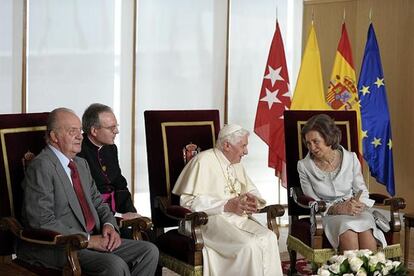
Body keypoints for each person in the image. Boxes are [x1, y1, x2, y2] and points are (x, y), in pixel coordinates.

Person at [18, 107, 158, 275]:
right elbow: (42, 221)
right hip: (60, 246)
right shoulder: (41, 166)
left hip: (92, 238)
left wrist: (109, 225)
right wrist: (90, 240)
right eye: (72, 131)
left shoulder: (80, 164)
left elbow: (98, 202)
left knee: (149, 251)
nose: (80, 136)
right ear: (54, 137)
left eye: (80, 130)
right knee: (115, 265)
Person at [172, 124, 283, 276]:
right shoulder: (202, 161)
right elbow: (188, 203)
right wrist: (225, 205)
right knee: (248, 244)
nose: (246, 151)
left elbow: (250, 189)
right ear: (227, 145)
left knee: (269, 237)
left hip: (237, 219)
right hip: (208, 221)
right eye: (243, 146)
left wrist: (252, 200)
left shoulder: (236, 164)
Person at [297, 113, 386, 252]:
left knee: (366, 230)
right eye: (308, 143)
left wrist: (357, 204)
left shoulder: (351, 158)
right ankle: (350, 273)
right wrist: (336, 209)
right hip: (327, 214)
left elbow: (361, 190)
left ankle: (371, 272)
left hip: (355, 210)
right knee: (348, 231)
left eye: (316, 142)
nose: (312, 148)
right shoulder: (303, 166)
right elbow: (313, 201)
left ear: (328, 138)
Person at [78, 103, 139, 222]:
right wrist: (118, 217)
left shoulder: (111, 148)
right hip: (95, 214)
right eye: (111, 128)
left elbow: (119, 182)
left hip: (116, 208)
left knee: (145, 230)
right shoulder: (78, 151)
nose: (116, 131)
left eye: (116, 126)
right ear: (94, 131)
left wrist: (130, 211)